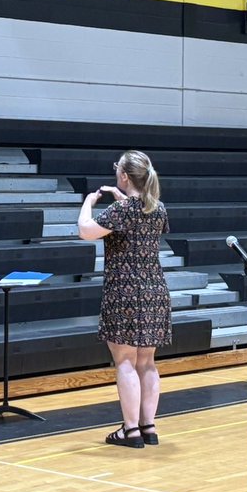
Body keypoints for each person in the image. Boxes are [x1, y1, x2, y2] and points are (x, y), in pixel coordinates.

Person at [77, 150, 170, 449]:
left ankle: (130, 431)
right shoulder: (158, 208)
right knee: (147, 362)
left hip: (125, 292)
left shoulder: (123, 210)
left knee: (125, 362)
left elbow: (86, 231)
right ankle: (149, 427)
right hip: (155, 290)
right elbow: (136, 219)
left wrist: (87, 204)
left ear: (125, 176)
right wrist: (122, 199)